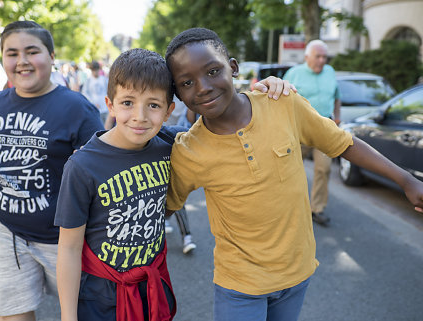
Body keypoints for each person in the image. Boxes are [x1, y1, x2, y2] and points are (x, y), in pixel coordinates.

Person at [164, 28, 423, 321]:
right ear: (178, 93)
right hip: (239, 284)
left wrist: (406, 179)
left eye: (213, 71)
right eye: (187, 82)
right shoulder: (188, 151)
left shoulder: (281, 103)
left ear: (233, 68)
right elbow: (163, 209)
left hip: (297, 274)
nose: (203, 87)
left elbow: (343, 143)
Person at [0, 20, 103, 321]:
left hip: (66, 242)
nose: (21, 61)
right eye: (12, 53)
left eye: (32, 51)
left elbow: (102, 172)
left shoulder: (78, 108)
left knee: (84, 314)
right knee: (13, 314)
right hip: (5, 232)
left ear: (51, 56)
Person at [55, 48, 179, 321]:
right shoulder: (82, 166)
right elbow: (69, 247)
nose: (140, 116)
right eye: (127, 103)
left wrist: (261, 95)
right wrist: (68, 315)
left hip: (152, 287)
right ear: (109, 105)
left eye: (154, 105)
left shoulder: (170, 145)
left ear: (169, 110)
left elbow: (220, 126)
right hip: (99, 297)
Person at [283, 40, 341, 225]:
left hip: (324, 128)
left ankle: (317, 209)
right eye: (318, 56)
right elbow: (279, 101)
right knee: (289, 169)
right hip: (298, 129)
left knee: (323, 169)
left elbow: (337, 97)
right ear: (307, 57)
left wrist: (337, 118)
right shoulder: (294, 73)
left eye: (325, 57)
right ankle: (287, 206)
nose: (322, 60)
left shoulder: (330, 72)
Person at [163, 96, 196, 254]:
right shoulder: (164, 92)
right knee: (170, 192)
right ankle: (169, 223)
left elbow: (191, 118)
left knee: (176, 191)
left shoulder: (184, 94)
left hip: (177, 145)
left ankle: (186, 236)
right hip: (164, 144)